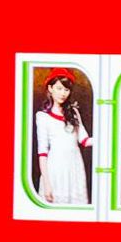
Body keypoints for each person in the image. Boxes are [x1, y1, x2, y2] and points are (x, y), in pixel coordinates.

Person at [33, 71, 92, 206]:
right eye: (59, 88)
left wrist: (106, 138)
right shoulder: (42, 116)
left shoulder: (73, 112)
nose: (63, 93)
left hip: (75, 167)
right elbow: (42, 152)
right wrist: (46, 183)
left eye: (66, 89)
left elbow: (84, 140)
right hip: (55, 168)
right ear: (50, 88)